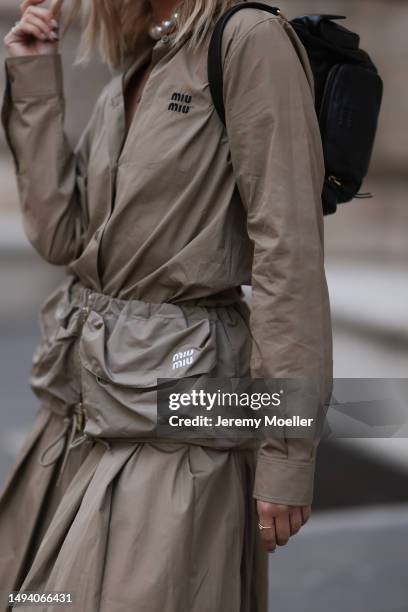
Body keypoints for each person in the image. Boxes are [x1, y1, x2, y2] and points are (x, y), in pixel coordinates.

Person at [0, 0, 333, 610]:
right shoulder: (146, 51)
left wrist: (287, 453)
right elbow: (65, 237)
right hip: (82, 406)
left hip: (181, 418)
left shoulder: (248, 41)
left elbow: (289, 256)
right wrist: (34, 76)